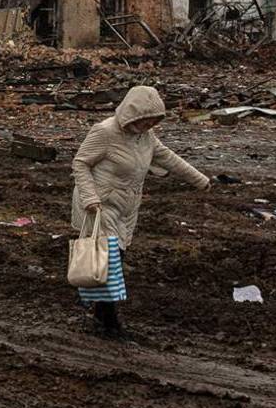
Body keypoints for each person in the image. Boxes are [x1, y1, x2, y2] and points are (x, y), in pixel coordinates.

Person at [71, 85, 210, 338]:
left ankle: (97, 310)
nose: (146, 125)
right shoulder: (104, 132)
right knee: (111, 263)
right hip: (100, 206)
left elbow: (167, 158)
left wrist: (199, 179)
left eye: (151, 120)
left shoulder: (145, 137)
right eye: (143, 119)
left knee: (110, 262)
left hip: (126, 208)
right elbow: (80, 163)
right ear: (131, 113)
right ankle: (109, 324)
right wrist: (90, 197)